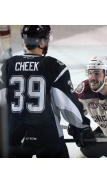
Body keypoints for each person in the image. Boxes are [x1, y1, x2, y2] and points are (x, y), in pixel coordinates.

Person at [1, 25, 94, 158]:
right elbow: (67, 104)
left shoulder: (8, 65)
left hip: (13, 137)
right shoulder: (54, 65)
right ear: (42, 41)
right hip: (48, 136)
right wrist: (82, 127)